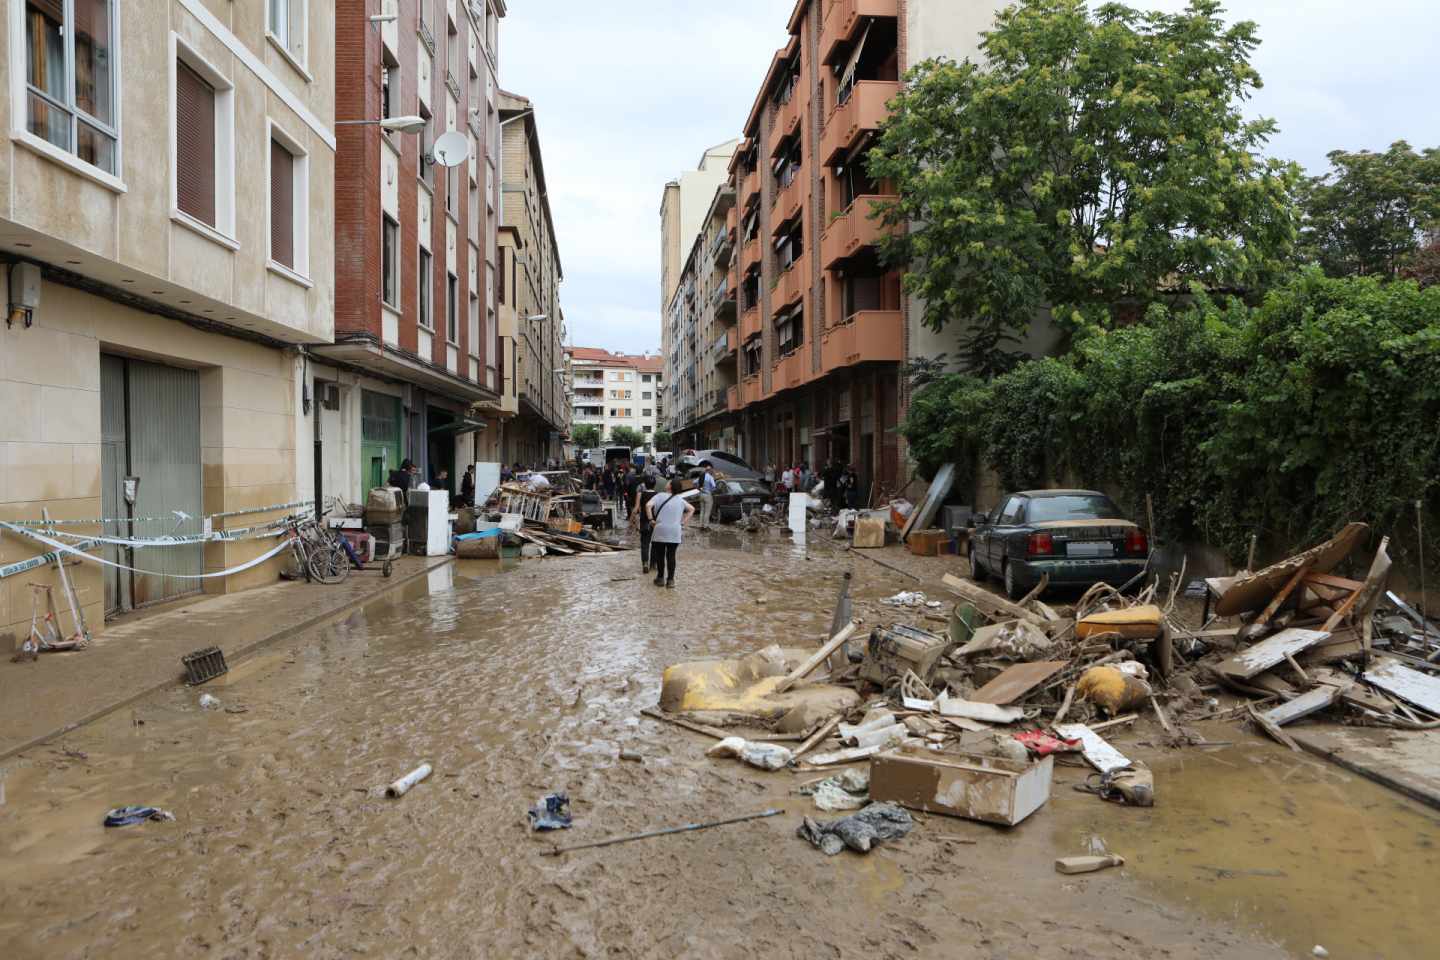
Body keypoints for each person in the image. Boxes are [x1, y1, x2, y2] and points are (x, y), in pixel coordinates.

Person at [647, 478, 695, 588]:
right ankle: (670, 580)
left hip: (660, 529)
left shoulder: (659, 496)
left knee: (660, 555)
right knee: (671, 555)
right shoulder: (681, 500)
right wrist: (682, 522)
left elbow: (648, 505)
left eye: (668, 482)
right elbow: (691, 509)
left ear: (670, 486)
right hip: (675, 530)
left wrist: (650, 520)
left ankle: (660, 578)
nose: (666, 483)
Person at [631, 475, 660, 574]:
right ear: (654, 485)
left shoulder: (641, 494)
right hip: (655, 523)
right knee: (655, 544)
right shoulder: (658, 495)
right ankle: (653, 565)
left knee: (645, 544)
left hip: (644, 522)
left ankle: (645, 563)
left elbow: (636, 508)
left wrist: (632, 519)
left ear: (645, 485)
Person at [698, 464, 717, 531]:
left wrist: (700, 489)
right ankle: (706, 526)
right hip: (708, 495)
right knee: (707, 512)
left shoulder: (701, 476)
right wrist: (711, 491)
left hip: (701, 495)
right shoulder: (710, 477)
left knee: (702, 511)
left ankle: (701, 525)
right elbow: (714, 486)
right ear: (710, 470)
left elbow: (695, 483)